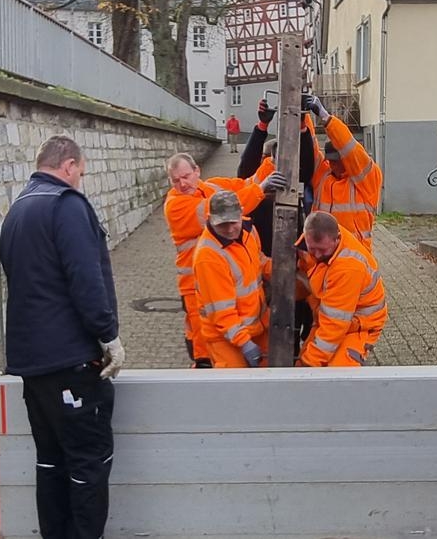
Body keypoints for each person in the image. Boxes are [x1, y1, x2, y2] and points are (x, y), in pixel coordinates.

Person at [0, 135, 126, 539]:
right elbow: (86, 280)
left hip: (32, 365)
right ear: (68, 165)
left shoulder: (17, 209)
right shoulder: (65, 205)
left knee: (51, 463)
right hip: (71, 362)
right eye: (81, 174)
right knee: (89, 462)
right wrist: (108, 336)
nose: (81, 182)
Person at [164, 153, 284, 367]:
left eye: (186, 176)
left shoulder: (213, 187)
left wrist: (271, 162)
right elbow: (236, 202)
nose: (182, 184)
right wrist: (260, 189)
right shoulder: (175, 206)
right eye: (176, 180)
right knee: (204, 353)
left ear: (197, 172)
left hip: (228, 288)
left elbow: (246, 184)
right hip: (197, 288)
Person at [296, 211, 388, 367]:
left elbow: (334, 326)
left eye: (322, 250)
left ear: (337, 238)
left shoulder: (348, 268)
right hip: (330, 316)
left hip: (359, 326)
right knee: (307, 361)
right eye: (312, 249)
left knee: (338, 378)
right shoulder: (317, 240)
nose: (316, 255)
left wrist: (309, 364)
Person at [192, 191, 271, 368]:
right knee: (235, 390)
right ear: (209, 218)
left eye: (233, 222)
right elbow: (222, 312)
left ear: (241, 213)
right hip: (226, 338)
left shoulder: (249, 232)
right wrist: (244, 343)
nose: (229, 229)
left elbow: (259, 261)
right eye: (222, 224)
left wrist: (283, 268)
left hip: (256, 328)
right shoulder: (208, 256)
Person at [236, 98, 316, 256]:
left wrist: (301, 125)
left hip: (284, 235)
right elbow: (245, 168)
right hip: (261, 232)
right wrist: (261, 127)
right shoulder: (258, 172)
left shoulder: (293, 172)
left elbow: (307, 169)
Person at [304, 95, 383, 251]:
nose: (334, 165)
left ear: (346, 159)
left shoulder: (367, 179)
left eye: (338, 160)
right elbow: (311, 144)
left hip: (355, 255)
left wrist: (326, 118)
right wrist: (304, 115)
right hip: (324, 254)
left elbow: (350, 148)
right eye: (331, 160)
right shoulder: (323, 175)